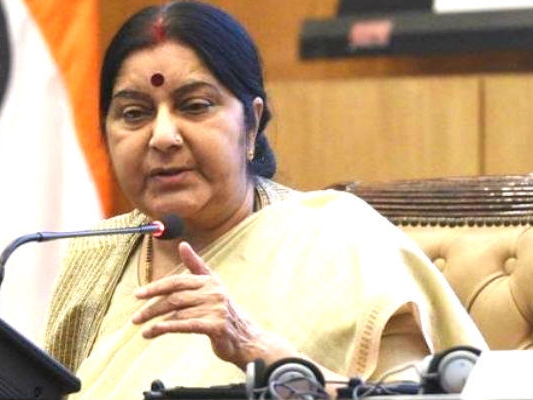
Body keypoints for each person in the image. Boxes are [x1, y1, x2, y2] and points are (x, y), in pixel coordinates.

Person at [43, 1, 487, 399]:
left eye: (194, 106)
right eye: (134, 113)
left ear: (251, 125)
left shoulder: (338, 242)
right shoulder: (96, 254)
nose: (162, 136)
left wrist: (262, 353)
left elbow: (419, 395)